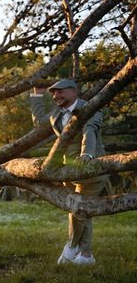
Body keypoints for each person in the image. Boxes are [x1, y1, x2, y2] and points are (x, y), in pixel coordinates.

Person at [29, 79, 107, 266]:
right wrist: (37, 96)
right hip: (66, 171)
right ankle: (86, 255)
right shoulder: (57, 113)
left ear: (74, 91)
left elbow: (90, 130)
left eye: (60, 92)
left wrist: (86, 154)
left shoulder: (90, 108)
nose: (56, 96)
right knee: (82, 210)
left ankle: (71, 247)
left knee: (77, 208)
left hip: (90, 169)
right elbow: (40, 123)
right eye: (53, 93)